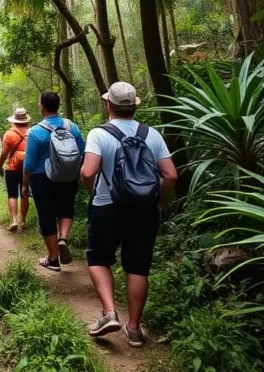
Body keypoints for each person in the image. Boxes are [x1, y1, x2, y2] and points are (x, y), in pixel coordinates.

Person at [80, 82, 177, 346]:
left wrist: (95, 192)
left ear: (108, 104)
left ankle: (109, 312)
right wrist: (159, 199)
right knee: (138, 266)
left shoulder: (99, 134)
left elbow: (88, 172)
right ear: (135, 105)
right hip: (144, 210)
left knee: (98, 258)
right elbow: (170, 175)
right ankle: (134, 329)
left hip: (106, 207)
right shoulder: (152, 135)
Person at [23, 92, 85, 272]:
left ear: (42, 106)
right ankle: (63, 238)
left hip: (42, 177)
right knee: (66, 209)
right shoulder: (71, 127)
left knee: (46, 215)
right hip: (69, 176)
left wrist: (25, 183)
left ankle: (53, 259)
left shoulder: (36, 131)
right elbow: (82, 151)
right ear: (58, 106)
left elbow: (29, 163)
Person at [0, 107, 31, 232]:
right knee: (24, 194)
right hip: (27, 168)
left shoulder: (9, 134)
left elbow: (5, 153)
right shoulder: (31, 132)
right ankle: (23, 221)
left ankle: (13, 220)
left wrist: (0, 166)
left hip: (11, 167)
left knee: (12, 194)